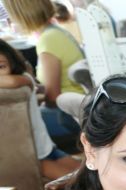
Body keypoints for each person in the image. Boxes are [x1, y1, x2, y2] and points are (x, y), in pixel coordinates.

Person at [4, 0, 84, 139]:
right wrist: (39, 90)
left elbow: (53, 98)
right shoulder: (56, 31)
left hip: (69, 113)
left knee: (11, 125)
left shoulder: (48, 40)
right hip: (77, 105)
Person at [0, 39, 80, 178]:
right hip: (36, 153)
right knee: (83, 180)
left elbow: (12, 81)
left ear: (12, 63)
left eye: (1, 66)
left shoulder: (24, 78)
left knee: (89, 177)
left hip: (42, 149)